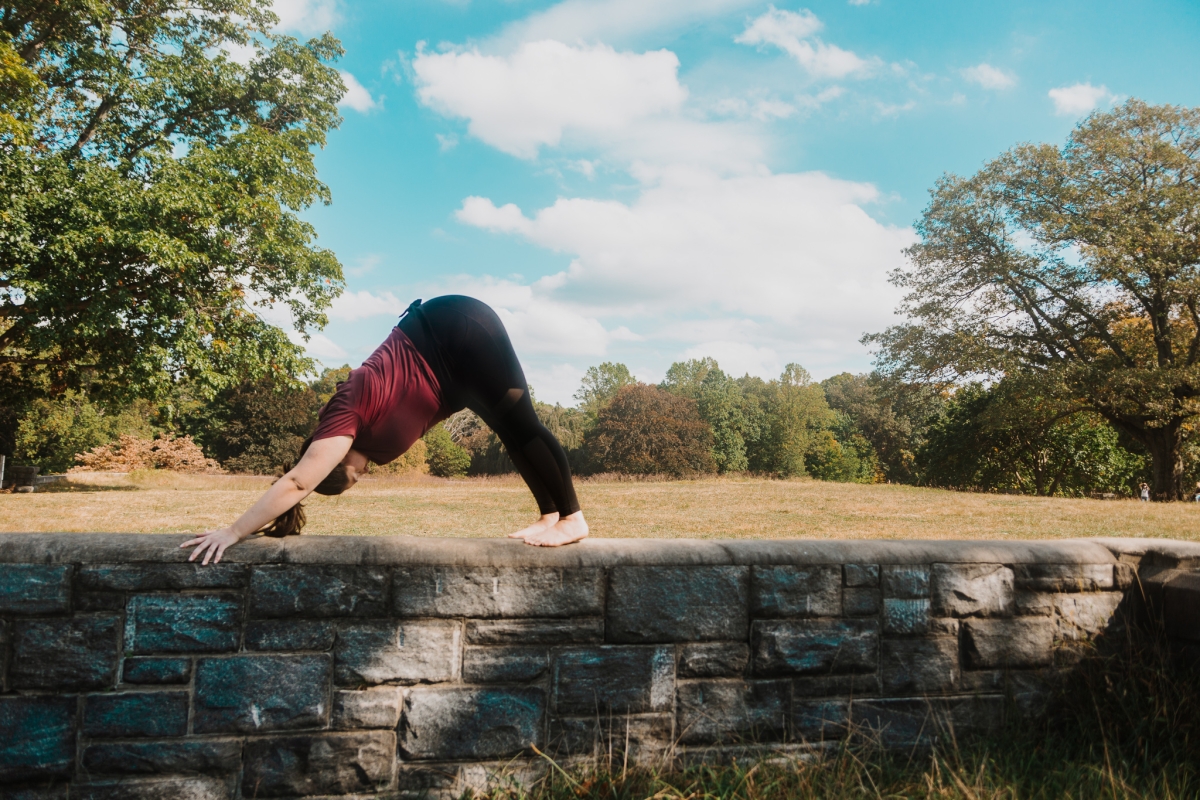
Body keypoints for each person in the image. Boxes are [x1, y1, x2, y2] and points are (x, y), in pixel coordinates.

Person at [182, 296, 588, 565]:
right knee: (508, 428)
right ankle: (550, 514)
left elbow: (297, 482)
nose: (366, 472)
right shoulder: (362, 432)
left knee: (523, 424)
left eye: (355, 472)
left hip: (453, 332)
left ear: (340, 455)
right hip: (454, 369)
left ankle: (573, 518)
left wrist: (233, 531)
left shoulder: (344, 415)